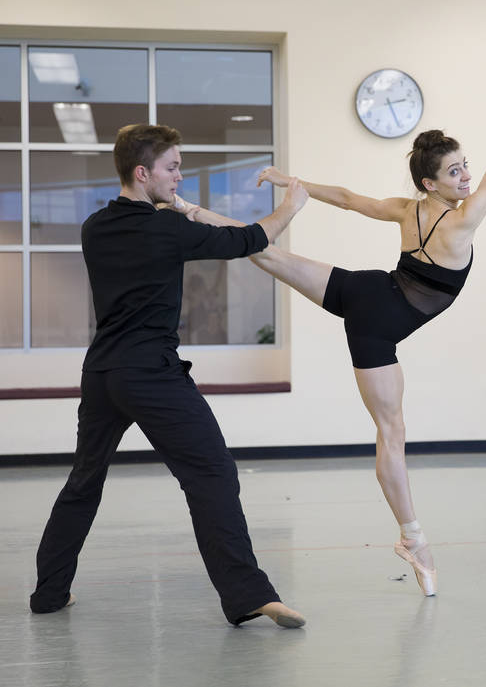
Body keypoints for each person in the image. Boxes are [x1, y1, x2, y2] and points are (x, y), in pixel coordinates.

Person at [183, 60, 486, 597]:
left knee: (268, 254)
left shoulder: (407, 209)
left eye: (466, 166)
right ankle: (413, 539)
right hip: (376, 324)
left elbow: (346, 197)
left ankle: (190, 210)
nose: (467, 176)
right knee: (391, 435)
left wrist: (293, 183)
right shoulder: (462, 218)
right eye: (456, 171)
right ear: (429, 182)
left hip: (364, 293)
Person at [30, 124, 310, 627]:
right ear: (143, 173)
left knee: (83, 482)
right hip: (151, 375)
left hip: (102, 373)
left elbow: (158, 237)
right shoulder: (164, 229)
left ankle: (49, 593)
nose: (180, 177)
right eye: (173, 168)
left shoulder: (95, 227)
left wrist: (178, 210)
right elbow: (247, 239)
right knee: (213, 472)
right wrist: (292, 204)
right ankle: (246, 594)